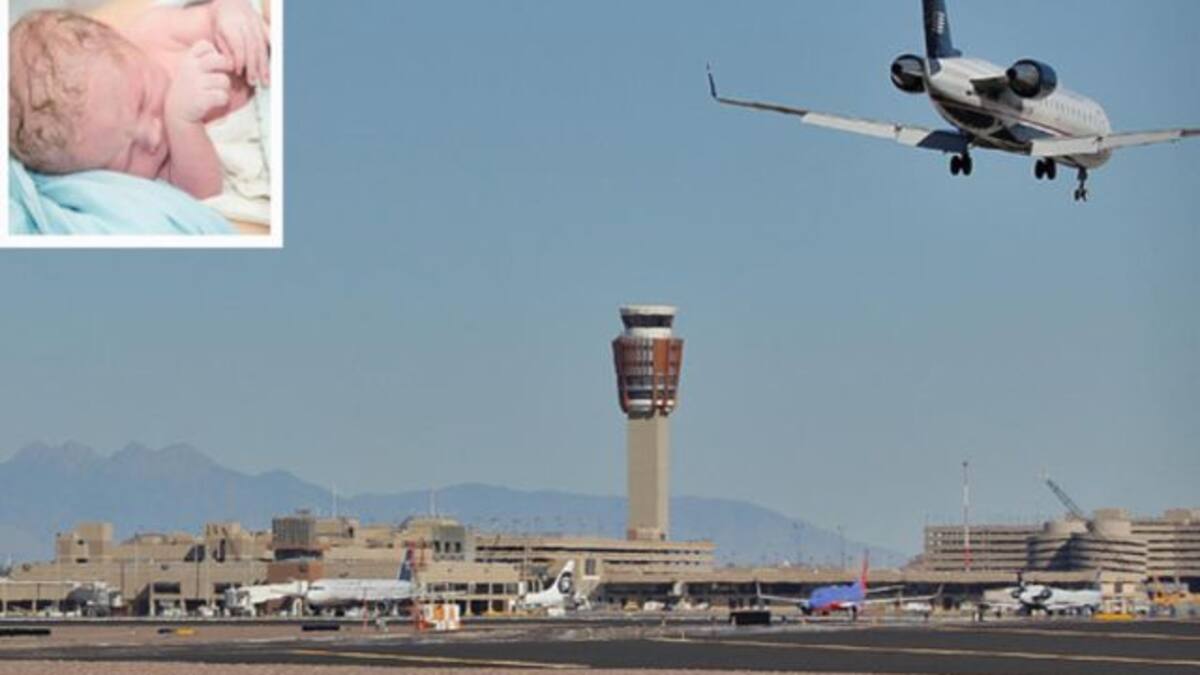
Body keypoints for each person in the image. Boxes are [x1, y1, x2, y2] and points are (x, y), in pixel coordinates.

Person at [9, 0, 269, 199]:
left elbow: (215, 14)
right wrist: (183, 123)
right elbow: (206, 191)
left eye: (142, 101)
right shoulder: (159, 166)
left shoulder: (152, 33)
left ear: (119, 40)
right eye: (127, 156)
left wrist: (232, 14)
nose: (153, 137)